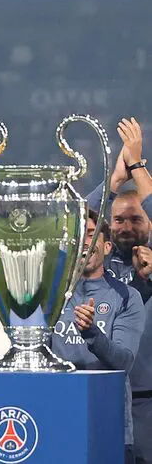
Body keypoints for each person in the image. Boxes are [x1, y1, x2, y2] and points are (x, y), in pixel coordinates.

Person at [51, 212, 145, 463]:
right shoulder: (51, 295)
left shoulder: (126, 297)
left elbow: (123, 362)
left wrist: (91, 332)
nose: (85, 242)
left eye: (92, 235)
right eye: (79, 236)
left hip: (107, 423)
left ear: (106, 247)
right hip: (57, 420)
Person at [87, 118, 152, 463]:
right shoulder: (98, 264)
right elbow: (78, 225)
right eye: (119, 220)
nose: (126, 226)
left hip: (148, 396)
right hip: (102, 388)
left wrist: (139, 166)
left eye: (136, 218)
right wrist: (111, 183)